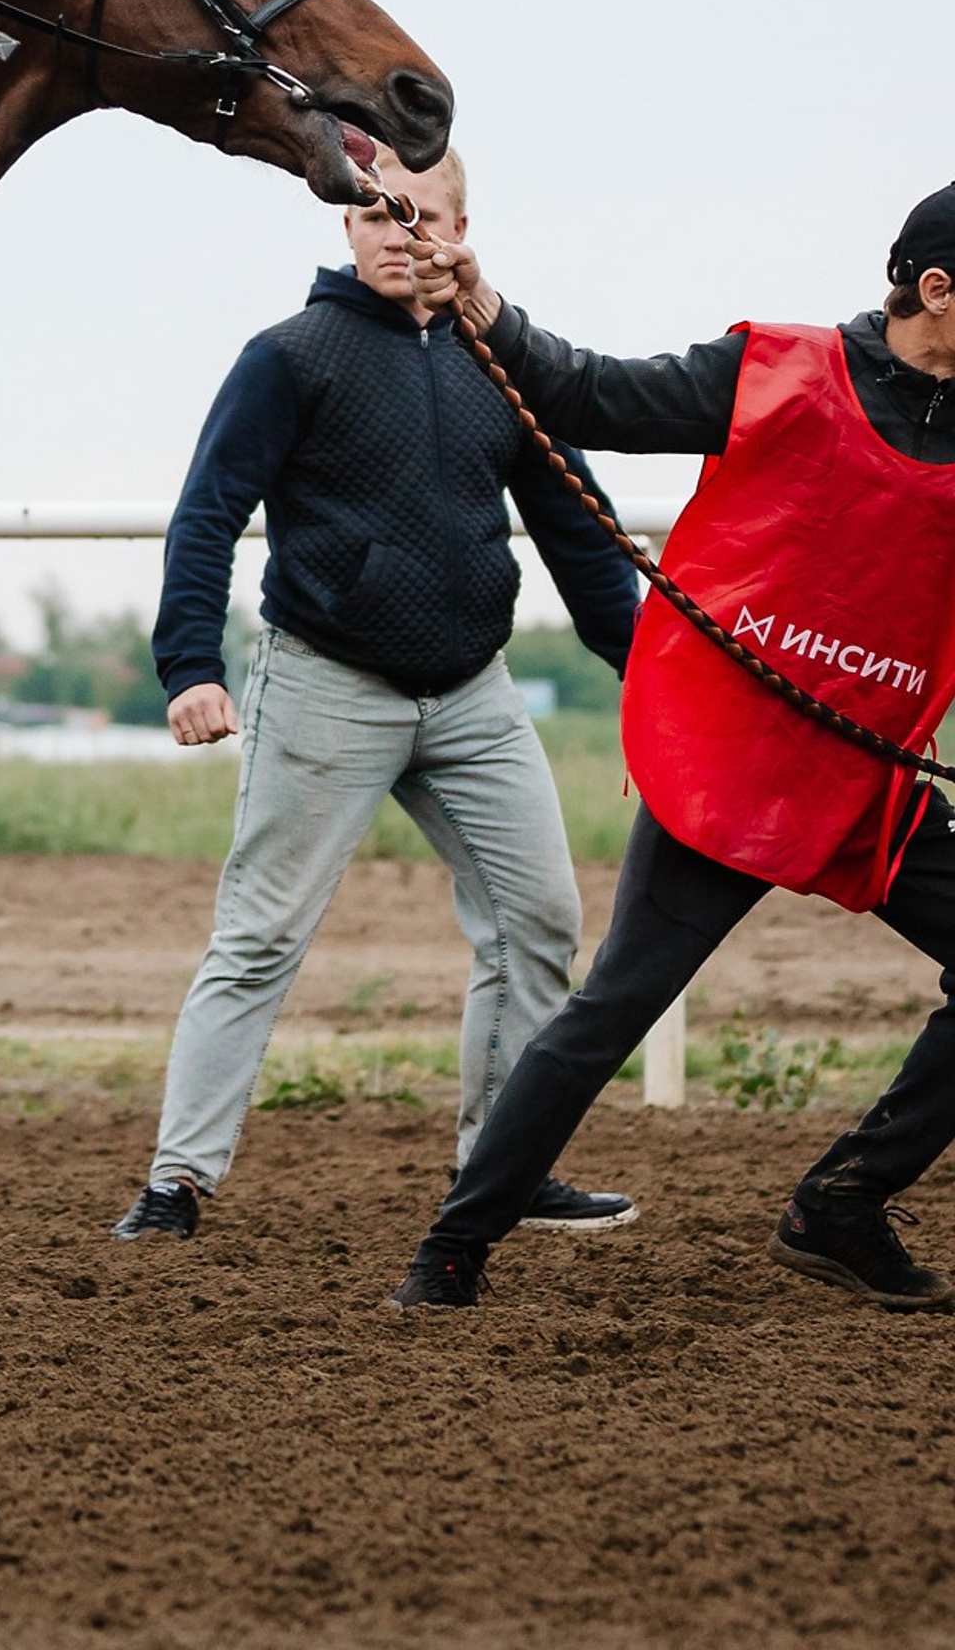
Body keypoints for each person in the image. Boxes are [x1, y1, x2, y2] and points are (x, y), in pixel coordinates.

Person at [391, 183, 955, 1313]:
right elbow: (592, 391)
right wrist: (483, 304)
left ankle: (840, 1203)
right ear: (937, 288)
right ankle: (456, 1243)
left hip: (867, 778)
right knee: (615, 1007)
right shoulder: (779, 369)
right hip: (734, 760)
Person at [113, 149, 642, 1245]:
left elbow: (583, 541)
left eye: (424, 216)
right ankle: (174, 1185)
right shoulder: (288, 357)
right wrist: (190, 668)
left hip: (472, 697)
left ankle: (503, 1167)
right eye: (377, 215)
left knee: (540, 919)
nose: (401, 235)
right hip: (324, 686)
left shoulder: (506, 367)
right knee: (259, 937)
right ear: (347, 227)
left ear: (461, 227)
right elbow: (206, 513)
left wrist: (651, 672)